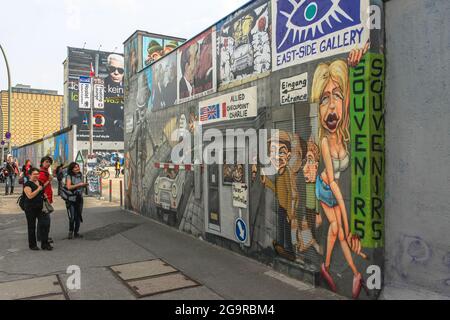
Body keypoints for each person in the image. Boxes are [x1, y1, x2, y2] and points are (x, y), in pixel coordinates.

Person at [311, 42, 369, 299]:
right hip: (324, 189)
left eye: (338, 96)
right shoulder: (324, 141)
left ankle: (351, 274)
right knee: (339, 229)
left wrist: (359, 67)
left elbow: (362, 103)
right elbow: (334, 186)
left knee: (338, 232)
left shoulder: (349, 136)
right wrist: (349, 224)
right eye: (324, 98)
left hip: (335, 190)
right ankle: (336, 268)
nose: (331, 106)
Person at [23, 168, 52, 251]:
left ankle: (45, 244)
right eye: (34, 174)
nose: (36, 175)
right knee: (31, 227)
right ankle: (32, 245)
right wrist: (38, 189)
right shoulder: (27, 184)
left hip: (40, 207)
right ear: (30, 175)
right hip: (30, 208)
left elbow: (42, 192)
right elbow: (30, 196)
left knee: (44, 225)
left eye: (37, 174)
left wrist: (45, 195)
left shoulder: (40, 182)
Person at [65, 162, 88, 239]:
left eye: (78, 167)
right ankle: (70, 231)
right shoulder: (69, 176)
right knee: (72, 217)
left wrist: (84, 185)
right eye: (75, 167)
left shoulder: (80, 175)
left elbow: (81, 185)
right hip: (71, 199)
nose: (77, 168)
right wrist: (79, 185)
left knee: (78, 216)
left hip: (79, 198)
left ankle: (76, 232)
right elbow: (68, 187)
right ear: (71, 169)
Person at [37, 156, 54, 245]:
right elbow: (39, 187)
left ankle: (41, 237)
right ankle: (43, 237)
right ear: (42, 162)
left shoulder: (46, 172)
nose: (48, 164)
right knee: (45, 220)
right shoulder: (41, 173)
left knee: (42, 219)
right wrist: (49, 180)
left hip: (46, 198)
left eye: (49, 162)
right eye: (46, 162)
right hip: (43, 199)